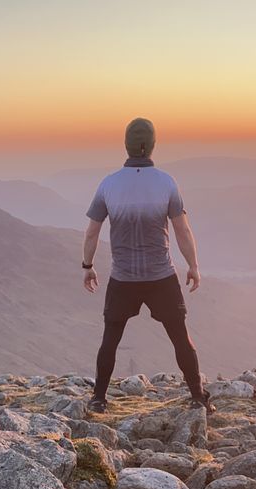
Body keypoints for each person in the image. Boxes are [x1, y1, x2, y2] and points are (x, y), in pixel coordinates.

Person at [81, 117, 213, 414]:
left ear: (126, 145)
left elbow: (92, 232)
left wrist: (87, 265)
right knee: (180, 337)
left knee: (110, 339)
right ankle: (197, 397)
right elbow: (182, 230)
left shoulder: (109, 184)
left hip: (123, 277)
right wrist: (193, 265)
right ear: (153, 145)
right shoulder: (166, 182)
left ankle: (99, 399)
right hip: (161, 276)